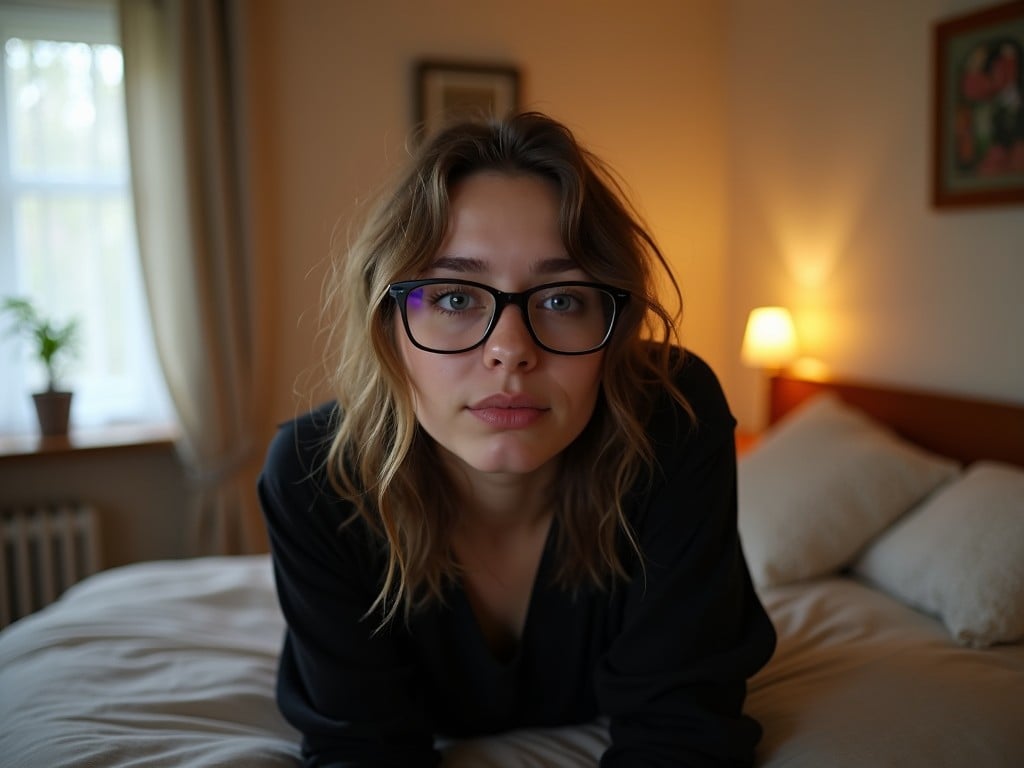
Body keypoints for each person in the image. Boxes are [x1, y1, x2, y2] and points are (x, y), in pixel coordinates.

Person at [259, 111, 776, 767]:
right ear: (388, 325)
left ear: (615, 331)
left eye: (562, 300)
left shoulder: (672, 417)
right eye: (453, 298)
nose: (511, 351)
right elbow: (361, 751)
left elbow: (683, 738)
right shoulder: (313, 473)